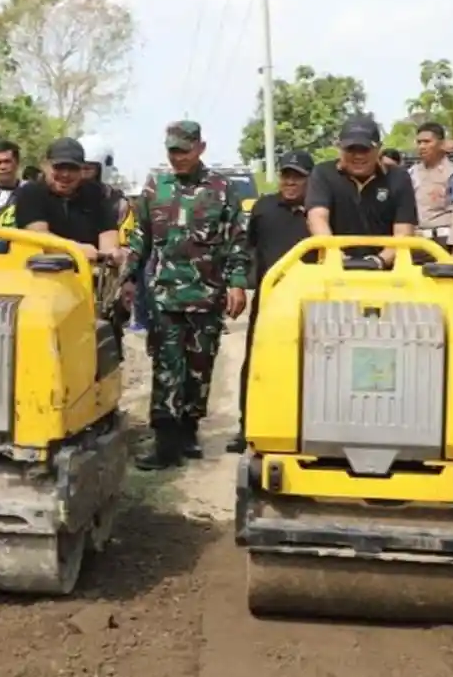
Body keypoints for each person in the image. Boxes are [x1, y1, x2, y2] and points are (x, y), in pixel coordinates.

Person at [121, 120, 249, 469]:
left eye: (184, 150)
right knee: (166, 367)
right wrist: (129, 277)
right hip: (165, 297)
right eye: (172, 151)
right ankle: (165, 442)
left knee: (199, 368)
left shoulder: (221, 189)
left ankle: (188, 431)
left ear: (200, 148)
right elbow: (140, 237)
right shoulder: (156, 187)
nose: (177, 157)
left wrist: (237, 283)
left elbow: (236, 240)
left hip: (207, 296)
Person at [226, 150, 315, 454]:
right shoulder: (263, 207)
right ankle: (248, 426)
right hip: (269, 301)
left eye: (297, 177)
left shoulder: (319, 211)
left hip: (310, 302)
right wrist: (239, 284)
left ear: (310, 180)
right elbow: (247, 249)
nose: (290, 182)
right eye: (286, 175)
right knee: (256, 362)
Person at [306, 114, 419, 266]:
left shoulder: (398, 178)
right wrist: (336, 256)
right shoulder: (323, 174)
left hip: (387, 271)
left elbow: (404, 232)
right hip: (333, 267)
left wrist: (379, 261)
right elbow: (317, 218)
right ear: (339, 147)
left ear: (379, 149)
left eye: (365, 149)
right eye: (351, 149)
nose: (358, 156)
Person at [14, 137, 120, 261]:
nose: (65, 174)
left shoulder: (97, 194)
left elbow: (108, 235)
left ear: (82, 169)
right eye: (59, 167)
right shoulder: (30, 192)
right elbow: (39, 237)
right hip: (39, 269)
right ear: (45, 165)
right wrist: (76, 250)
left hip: (89, 269)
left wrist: (111, 253)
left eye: (72, 168)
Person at [406, 122, 453, 262]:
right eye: (419, 142)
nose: (422, 146)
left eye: (427, 142)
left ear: (441, 144)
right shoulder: (411, 173)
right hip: (417, 243)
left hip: (443, 242)